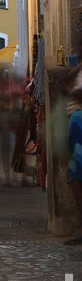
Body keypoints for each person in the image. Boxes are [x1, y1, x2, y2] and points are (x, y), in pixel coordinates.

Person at [57, 41, 82, 244]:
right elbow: (63, 82)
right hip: (76, 123)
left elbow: (67, 87)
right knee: (75, 178)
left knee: (76, 177)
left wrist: (72, 91)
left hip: (80, 123)